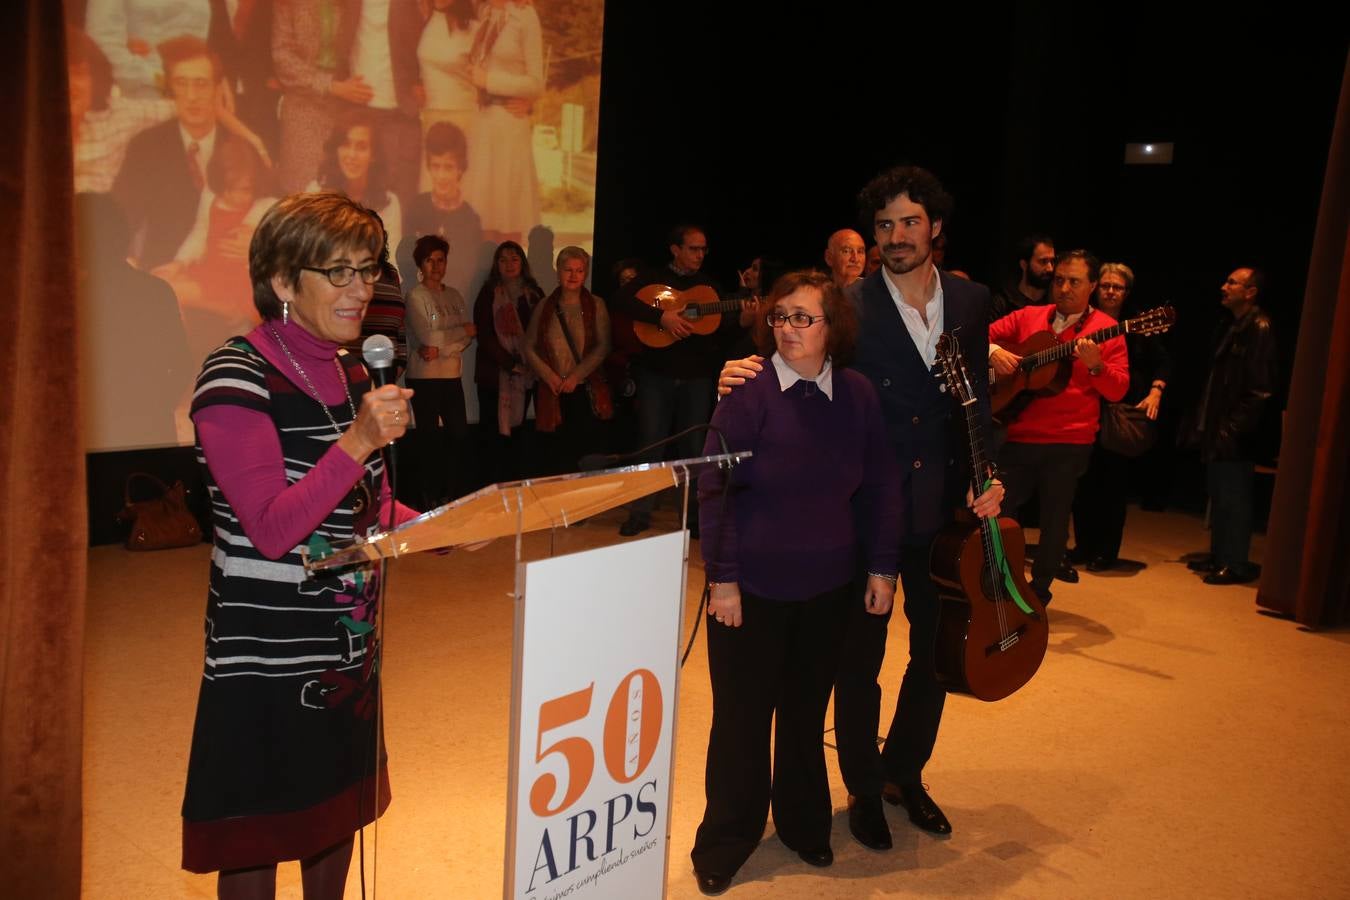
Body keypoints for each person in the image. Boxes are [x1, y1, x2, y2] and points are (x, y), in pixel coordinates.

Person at [719, 166, 1004, 849]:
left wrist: (987, 473)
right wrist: (734, 372)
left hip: (942, 513)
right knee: (857, 663)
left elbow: (977, 406)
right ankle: (865, 786)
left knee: (940, 655)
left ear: (935, 227)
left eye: (910, 222)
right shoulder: (849, 303)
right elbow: (793, 361)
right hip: (862, 513)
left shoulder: (971, 301)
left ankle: (907, 772)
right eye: (885, 225)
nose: (897, 236)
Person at [180, 191, 417, 898]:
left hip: (346, 645)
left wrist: (439, 531)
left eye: (367, 270)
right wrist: (360, 439)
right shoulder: (235, 376)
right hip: (267, 654)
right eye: (336, 272)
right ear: (283, 282)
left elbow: (364, 504)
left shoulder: (348, 373)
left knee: (330, 816)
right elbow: (273, 526)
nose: (359, 290)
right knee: (260, 832)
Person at [692, 271, 900, 896]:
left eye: (803, 318)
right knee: (741, 721)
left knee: (806, 716)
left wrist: (882, 567)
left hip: (828, 586)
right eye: (781, 316)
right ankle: (727, 838)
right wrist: (722, 579)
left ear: (832, 328)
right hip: (750, 589)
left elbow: (882, 486)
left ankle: (805, 826)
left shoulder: (857, 395)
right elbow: (713, 485)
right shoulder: (749, 392)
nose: (788, 328)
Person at [989, 250, 1129, 603]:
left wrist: (1096, 368)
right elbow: (979, 335)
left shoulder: (1106, 331)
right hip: (1018, 433)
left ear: (1093, 286)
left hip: (1069, 440)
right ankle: (998, 578)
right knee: (998, 510)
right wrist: (993, 351)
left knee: (1055, 517)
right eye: (1060, 280)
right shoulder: (1029, 316)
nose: (1064, 287)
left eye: (1075, 281)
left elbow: (1118, 389)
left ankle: (1040, 588)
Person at [111, 35, 269, 270]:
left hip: (229, 273)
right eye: (181, 83)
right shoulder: (145, 146)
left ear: (217, 89)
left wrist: (259, 238)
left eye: (201, 84)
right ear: (170, 88)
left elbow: (278, 207)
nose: (191, 96)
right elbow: (122, 217)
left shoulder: (242, 146)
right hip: (163, 271)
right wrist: (125, 260)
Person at [616, 224, 732, 537]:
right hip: (655, 375)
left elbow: (728, 324)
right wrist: (661, 317)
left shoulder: (709, 287)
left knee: (694, 446)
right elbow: (623, 300)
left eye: (703, 249)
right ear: (675, 249)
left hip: (696, 377)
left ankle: (695, 518)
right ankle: (640, 513)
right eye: (693, 248)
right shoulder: (652, 279)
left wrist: (747, 308)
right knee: (650, 442)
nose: (699, 255)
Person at [1070, 262, 1172, 571]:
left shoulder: (1138, 324)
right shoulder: (1081, 319)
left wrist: (1156, 391)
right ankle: (1083, 546)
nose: (1111, 291)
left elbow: (1164, 361)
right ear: (1094, 288)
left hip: (1117, 413)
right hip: (1081, 409)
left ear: (1126, 293)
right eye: (1106, 285)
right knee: (1081, 482)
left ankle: (1106, 550)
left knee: (1112, 484)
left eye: (1118, 287)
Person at [1184, 267, 1278, 585]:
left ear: (1250, 291)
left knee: (1234, 496)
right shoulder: (1232, 325)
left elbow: (1259, 390)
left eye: (1232, 283)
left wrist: (1231, 429)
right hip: (1219, 427)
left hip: (1237, 433)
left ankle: (1235, 563)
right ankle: (1220, 555)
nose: (1223, 287)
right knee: (1220, 493)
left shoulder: (1259, 327)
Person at [155, 136, 277, 362]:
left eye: (244, 189)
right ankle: (183, 349)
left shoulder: (264, 206)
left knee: (170, 290)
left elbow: (275, 252)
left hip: (238, 280)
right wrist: (179, 263)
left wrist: (254, 247)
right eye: (228, 190)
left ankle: (231, 315)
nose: (236, 197)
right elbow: (200, 232)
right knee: (160, 281)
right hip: (211, 272)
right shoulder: (210, 196)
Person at [523, 246, 613, 474]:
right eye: (568, 270)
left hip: (584, 389)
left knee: (583, 450)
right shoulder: (544, 306)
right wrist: (549, 376)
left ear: (586, 273)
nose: (573, 276)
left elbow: (603, 346)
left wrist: (576, 376)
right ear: (558, 271)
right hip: (552, 391)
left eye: (579, 270)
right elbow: (528, 346)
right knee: (556, 454)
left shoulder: (597, 305)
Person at [463, 0, 544, 243]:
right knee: (483, 216)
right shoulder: (483, 12)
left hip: (509, 124)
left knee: (508, 216)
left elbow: (536, 82)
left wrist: (490, 80)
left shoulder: (525, 15)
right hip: (482, 123)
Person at [404, 233, 476, 506]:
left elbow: (469, 335)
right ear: (420, 265)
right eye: (429, 260)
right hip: (424, 378)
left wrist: (443, 347)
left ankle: (453, 493)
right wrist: (454, 338)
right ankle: (429, 497)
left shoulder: (455, 295)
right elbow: (428, 338)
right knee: (428, 440)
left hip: (451, 376)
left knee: (459, 435)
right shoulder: (415, 296)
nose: (435, 266)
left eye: (440, 260)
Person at [473, 240, 544, 482]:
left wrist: (526, 365)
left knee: (518, 435)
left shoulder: (534, 294)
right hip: (494, 376)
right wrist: (508, 363)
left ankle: (513, 488)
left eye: (514, 259)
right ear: (496, 265)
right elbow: (484, 334)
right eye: (503, 260)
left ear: (522, 263)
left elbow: (543, 332)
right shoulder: (488, 293)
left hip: (525, 376)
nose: (509, 264)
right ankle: (490, 488)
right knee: (492, 438)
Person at [402, 119, 484, 300]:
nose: (441, 176)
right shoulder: (416, 208)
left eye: (448, 167)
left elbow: (468, 278)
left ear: (460, 169)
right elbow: (406, 265)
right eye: (436, 166)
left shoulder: (470, 220)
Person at [308, 108, 403, 258]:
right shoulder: (315, 193)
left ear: (373, 155)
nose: (352, 155)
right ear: (336, 149)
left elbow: (391, 266)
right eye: (346, 144)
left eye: (361, 147)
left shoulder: (389, 203)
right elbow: (307, 254)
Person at [413, 0, 479, 193]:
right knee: (429, 187)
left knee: (462, 188)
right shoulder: (425, 20)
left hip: (463, 117)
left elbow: (489, 74)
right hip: (429, 117)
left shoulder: (475, 28)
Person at [989, 233, 1056, 322]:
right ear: (1024, 264)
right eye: (1043, 261)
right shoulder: (1002, 303)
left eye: (1052, 261)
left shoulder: (1056, 301)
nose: (1050, 268)